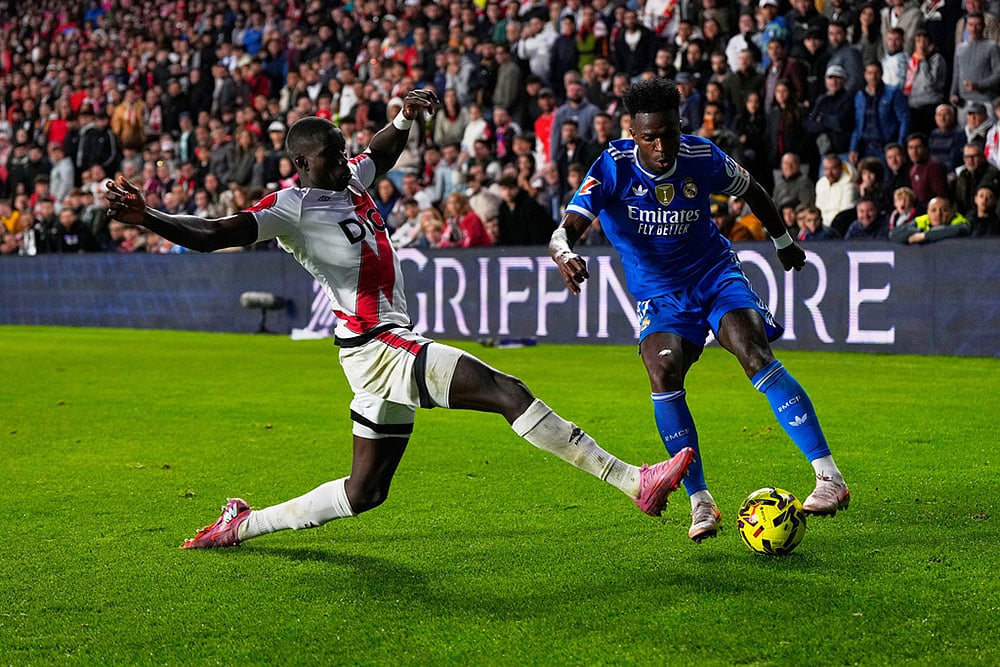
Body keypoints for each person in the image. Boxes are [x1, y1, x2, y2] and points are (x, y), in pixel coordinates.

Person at [104, 89, 695, 549]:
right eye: (332, 156)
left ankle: (244, 524)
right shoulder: (289, 208)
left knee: (366, 492)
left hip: (376, 346)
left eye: (343, 152)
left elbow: (381, 151)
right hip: (376, 344)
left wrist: (406, 118)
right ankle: (631, 481)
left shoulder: (350, 180)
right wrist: (149, 216)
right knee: (505, 390)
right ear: (302, 164)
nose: (346, 161)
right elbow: (214, 234)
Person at [549, 78, 850, 544]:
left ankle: (829, 478)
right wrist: (565, 254)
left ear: (678, 126)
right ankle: (701, 501)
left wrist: (783, 241)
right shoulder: (612, 166)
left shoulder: (701, 155)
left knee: (754, 353)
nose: (661, 146)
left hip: (714, 274)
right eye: (650, 137)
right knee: (663, 374)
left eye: (668, 133)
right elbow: (564, 230)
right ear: (634, 133)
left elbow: (753, 190)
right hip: (660, 295)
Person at [889, 195, 971, 243]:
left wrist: (923, 236)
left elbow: (956, 230)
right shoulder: (923, 220)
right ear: (928, 212)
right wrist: (918, 231)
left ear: (952, 211)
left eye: (944, 210)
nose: (938, 214)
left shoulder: (961, 221)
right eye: (933, 210)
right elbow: (893, 235)